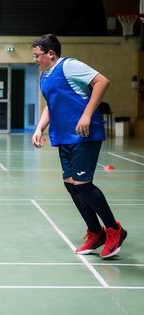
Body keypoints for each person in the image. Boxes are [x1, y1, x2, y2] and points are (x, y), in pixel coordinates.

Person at [30, 34, 127, 259]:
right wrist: (39, 128)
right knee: (71, 185)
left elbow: (102, 81)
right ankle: (96, 232)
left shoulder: (70, 66)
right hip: (63, 136)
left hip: (84, 134)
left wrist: (86, 114)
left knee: (83, 184)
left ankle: (114, 230)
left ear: (50, 54)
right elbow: (50, 106)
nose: (35, 60)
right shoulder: (45, 76)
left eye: (37, 56)